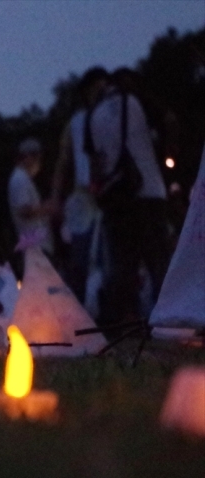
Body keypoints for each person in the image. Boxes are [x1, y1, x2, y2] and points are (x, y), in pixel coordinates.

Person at [85, 67, 171, 324]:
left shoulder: (93, 115)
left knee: (122, 268)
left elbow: (95, 166)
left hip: (117, 202)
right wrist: (166, 153)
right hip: (151, 192)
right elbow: (169, 120)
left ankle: (122, 326)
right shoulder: (136, 99)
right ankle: (171, 321)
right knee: (159, 262)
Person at [50, 67, 108, 305]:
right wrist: (56, 198)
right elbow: (63, 161)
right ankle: (79, 315)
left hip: (110, 198)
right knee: (80, 260)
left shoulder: (111, 115)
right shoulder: (76, 122)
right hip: (84, 198)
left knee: (109, 260)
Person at [7, 138, 58, 258]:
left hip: (36, 246)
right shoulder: (20, 179)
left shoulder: (22, 178)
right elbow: (24, 211)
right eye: (37, 158)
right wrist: (48, 208)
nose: (39, 163)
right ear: (27, 157)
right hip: (35, 247)